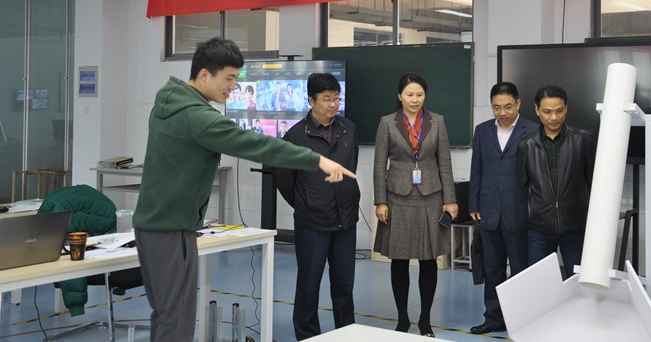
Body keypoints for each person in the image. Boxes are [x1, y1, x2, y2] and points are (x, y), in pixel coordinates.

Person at [132, 37, 356, 342]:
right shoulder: (197, 117)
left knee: (166, 316)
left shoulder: (169, 101)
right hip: (170, 229)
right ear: (204, 75)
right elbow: (254, 144)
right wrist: (317, 159)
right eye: (229, 78)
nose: (233, 87)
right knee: (177, 321)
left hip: (154, 226)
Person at [276, 73, 361, 340]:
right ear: (311, 101)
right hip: (312, 223)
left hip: (345, 220)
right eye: (327, 99)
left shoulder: (349, 128)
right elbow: (284, 180)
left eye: (336, 98)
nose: (333, 104)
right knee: (309, 285)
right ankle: (307, 335)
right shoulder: (295, 136)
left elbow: (351, 166)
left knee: (344, 285)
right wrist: (308, 201)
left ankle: (346, 333)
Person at [374, 73, 457, 338]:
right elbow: (379, 165)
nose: (415, 99)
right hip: (397, 197)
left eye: (419, 94)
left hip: (431, 196)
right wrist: (380, 201)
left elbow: (445, 163)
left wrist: (450, 199)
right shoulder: (387, 123)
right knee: (399, 259)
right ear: (399, 96)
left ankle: (425, 321)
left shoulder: (437, 121)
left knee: (428, 259)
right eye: (409, 94)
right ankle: (402, 319)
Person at [468, 82, 538, 334]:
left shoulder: (533, 130)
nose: (502, 113)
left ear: (518, 104)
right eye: (497, 107)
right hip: (488, 211)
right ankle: (494, 318)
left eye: (507, 107)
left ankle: (522, 319)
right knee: (492, 269)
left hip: (519, 211)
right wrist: (474, 203)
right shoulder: (482, 130)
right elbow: (477, 168)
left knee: (520, 270)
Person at [516, 84, 595, 278]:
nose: (554, 117)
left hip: (574, 227)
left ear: (566, 108)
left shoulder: (583, 140)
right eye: (547, 112)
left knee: (577, 282)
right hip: (539, 229)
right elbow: (524, 184)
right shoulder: (526, 145)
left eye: (559, 111)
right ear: (537, 110)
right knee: (540, 282)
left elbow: (593, 181)